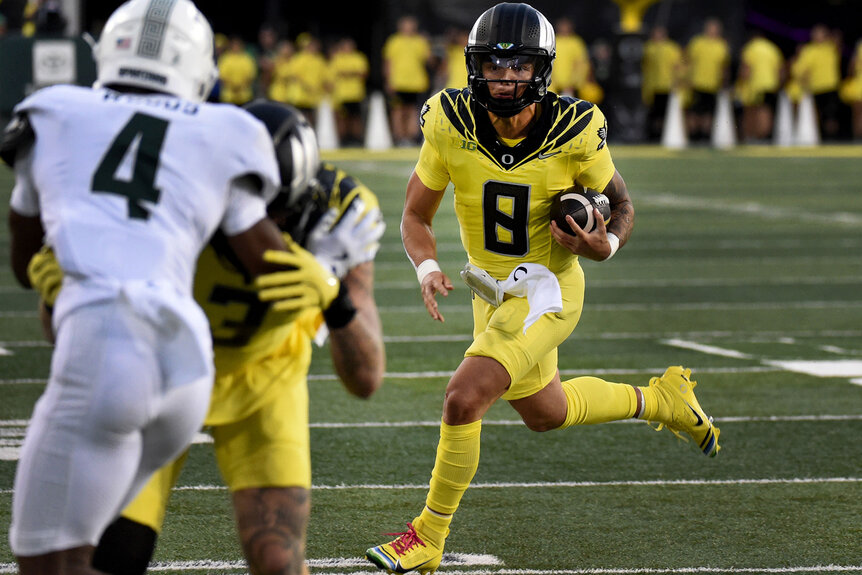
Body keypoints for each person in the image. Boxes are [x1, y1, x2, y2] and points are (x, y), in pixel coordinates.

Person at [364, 3, 720, 573]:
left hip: (548, 291)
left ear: (541, 70)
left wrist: (605, 246)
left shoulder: (574, 131)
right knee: (545, 412)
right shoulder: (449, 121)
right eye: (494, 66)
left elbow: (622, 204)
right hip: (491, 292)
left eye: (518, 68)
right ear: (474, 66)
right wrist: (426, 267)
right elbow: (415, 216)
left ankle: (427, 535)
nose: (505, 79)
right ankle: (662, 401)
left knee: (463, 397)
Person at [2, 1, 341, 574]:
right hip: (187, 366)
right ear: (198, 66)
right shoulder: (225, 130)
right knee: (98, 551)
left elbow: (23, 258)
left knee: (49, 559)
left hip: (106, 343)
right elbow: (266, 261)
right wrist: (332, 282)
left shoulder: (52, 111)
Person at [26, 100, 387, 575]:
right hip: (158, 372)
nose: (266, 225)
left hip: (265, 379)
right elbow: (60, 336)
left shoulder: (338, 216)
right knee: (115, 554)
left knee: (278, 561)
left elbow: (366, 379)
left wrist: (334, 295)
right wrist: (69, 294)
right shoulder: (166, 200)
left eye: (276, 211)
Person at [382, 15, 433, 146]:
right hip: (398, 82)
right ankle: (399, 138)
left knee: (413, 111)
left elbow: (429, 61)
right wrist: (388, 80)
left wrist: (428, 44)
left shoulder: (420, 41)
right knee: (398, 111)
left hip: (416, 83)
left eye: (411, 25)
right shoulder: (394, 41)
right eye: (406, 25)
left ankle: (410, 138)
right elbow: (388, 62)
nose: (409, 28)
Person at [789, 24, 843, 141]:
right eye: (815, 33)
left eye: (820, 33)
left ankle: (832, 139)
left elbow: (838, 39)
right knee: (816, 116)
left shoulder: (831, 47)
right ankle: (819, 138)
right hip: (815, 88)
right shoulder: (808, 50)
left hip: (830, 87)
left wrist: (829, 36)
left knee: (831, 117)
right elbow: (800, 70)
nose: (817, 36)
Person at [682, 18, 730, 143]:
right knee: (694, 111)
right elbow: (686, 60)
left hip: (713, 85)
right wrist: (685, 78)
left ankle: (705, 136)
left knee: (708, 112)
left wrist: (724, 83)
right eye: (711, 28)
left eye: (715, 29)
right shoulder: (697, 43)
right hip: (696, 83)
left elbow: (724, 67)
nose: (713, 31)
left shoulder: (722, 45)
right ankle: (693, 136)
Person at [735, 28, 784, 142]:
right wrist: (779, 84)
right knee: (767, 110)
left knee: (754, 112)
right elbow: (780, 69)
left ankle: (754, 136)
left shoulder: (750, 48)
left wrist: (740, 83)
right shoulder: (772, 48)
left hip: (755, 86)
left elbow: (745, 70)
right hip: (771, 85)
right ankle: (766, 136)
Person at [641, 25, 682, 142]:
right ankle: (653, 135)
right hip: (653, 86)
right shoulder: (649, 47)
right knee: (653, 113)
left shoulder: (671, 48)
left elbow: (677, 66)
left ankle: (662, 135)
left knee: (664, 114)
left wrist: (676, 82)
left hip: (667, 86)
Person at [330, 36, 370, 147]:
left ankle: (356, 139)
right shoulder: (338, 58)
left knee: (356, 118)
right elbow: (336, 73)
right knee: (343, 118)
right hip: (342, 95)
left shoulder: (358, 58)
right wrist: (353, 73)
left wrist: (348, 73)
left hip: (355, 94)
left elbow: (363, 73)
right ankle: (344, 139)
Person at [217, 35, 259, 105]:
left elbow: (251, 76)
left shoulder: (247, 59)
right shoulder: (225, 58)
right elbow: (221, 76)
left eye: (238, 45)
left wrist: (240, 86)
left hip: (244, 96)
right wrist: (233, 86)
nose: (236, 47)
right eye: (234, 45)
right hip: (228, 96)